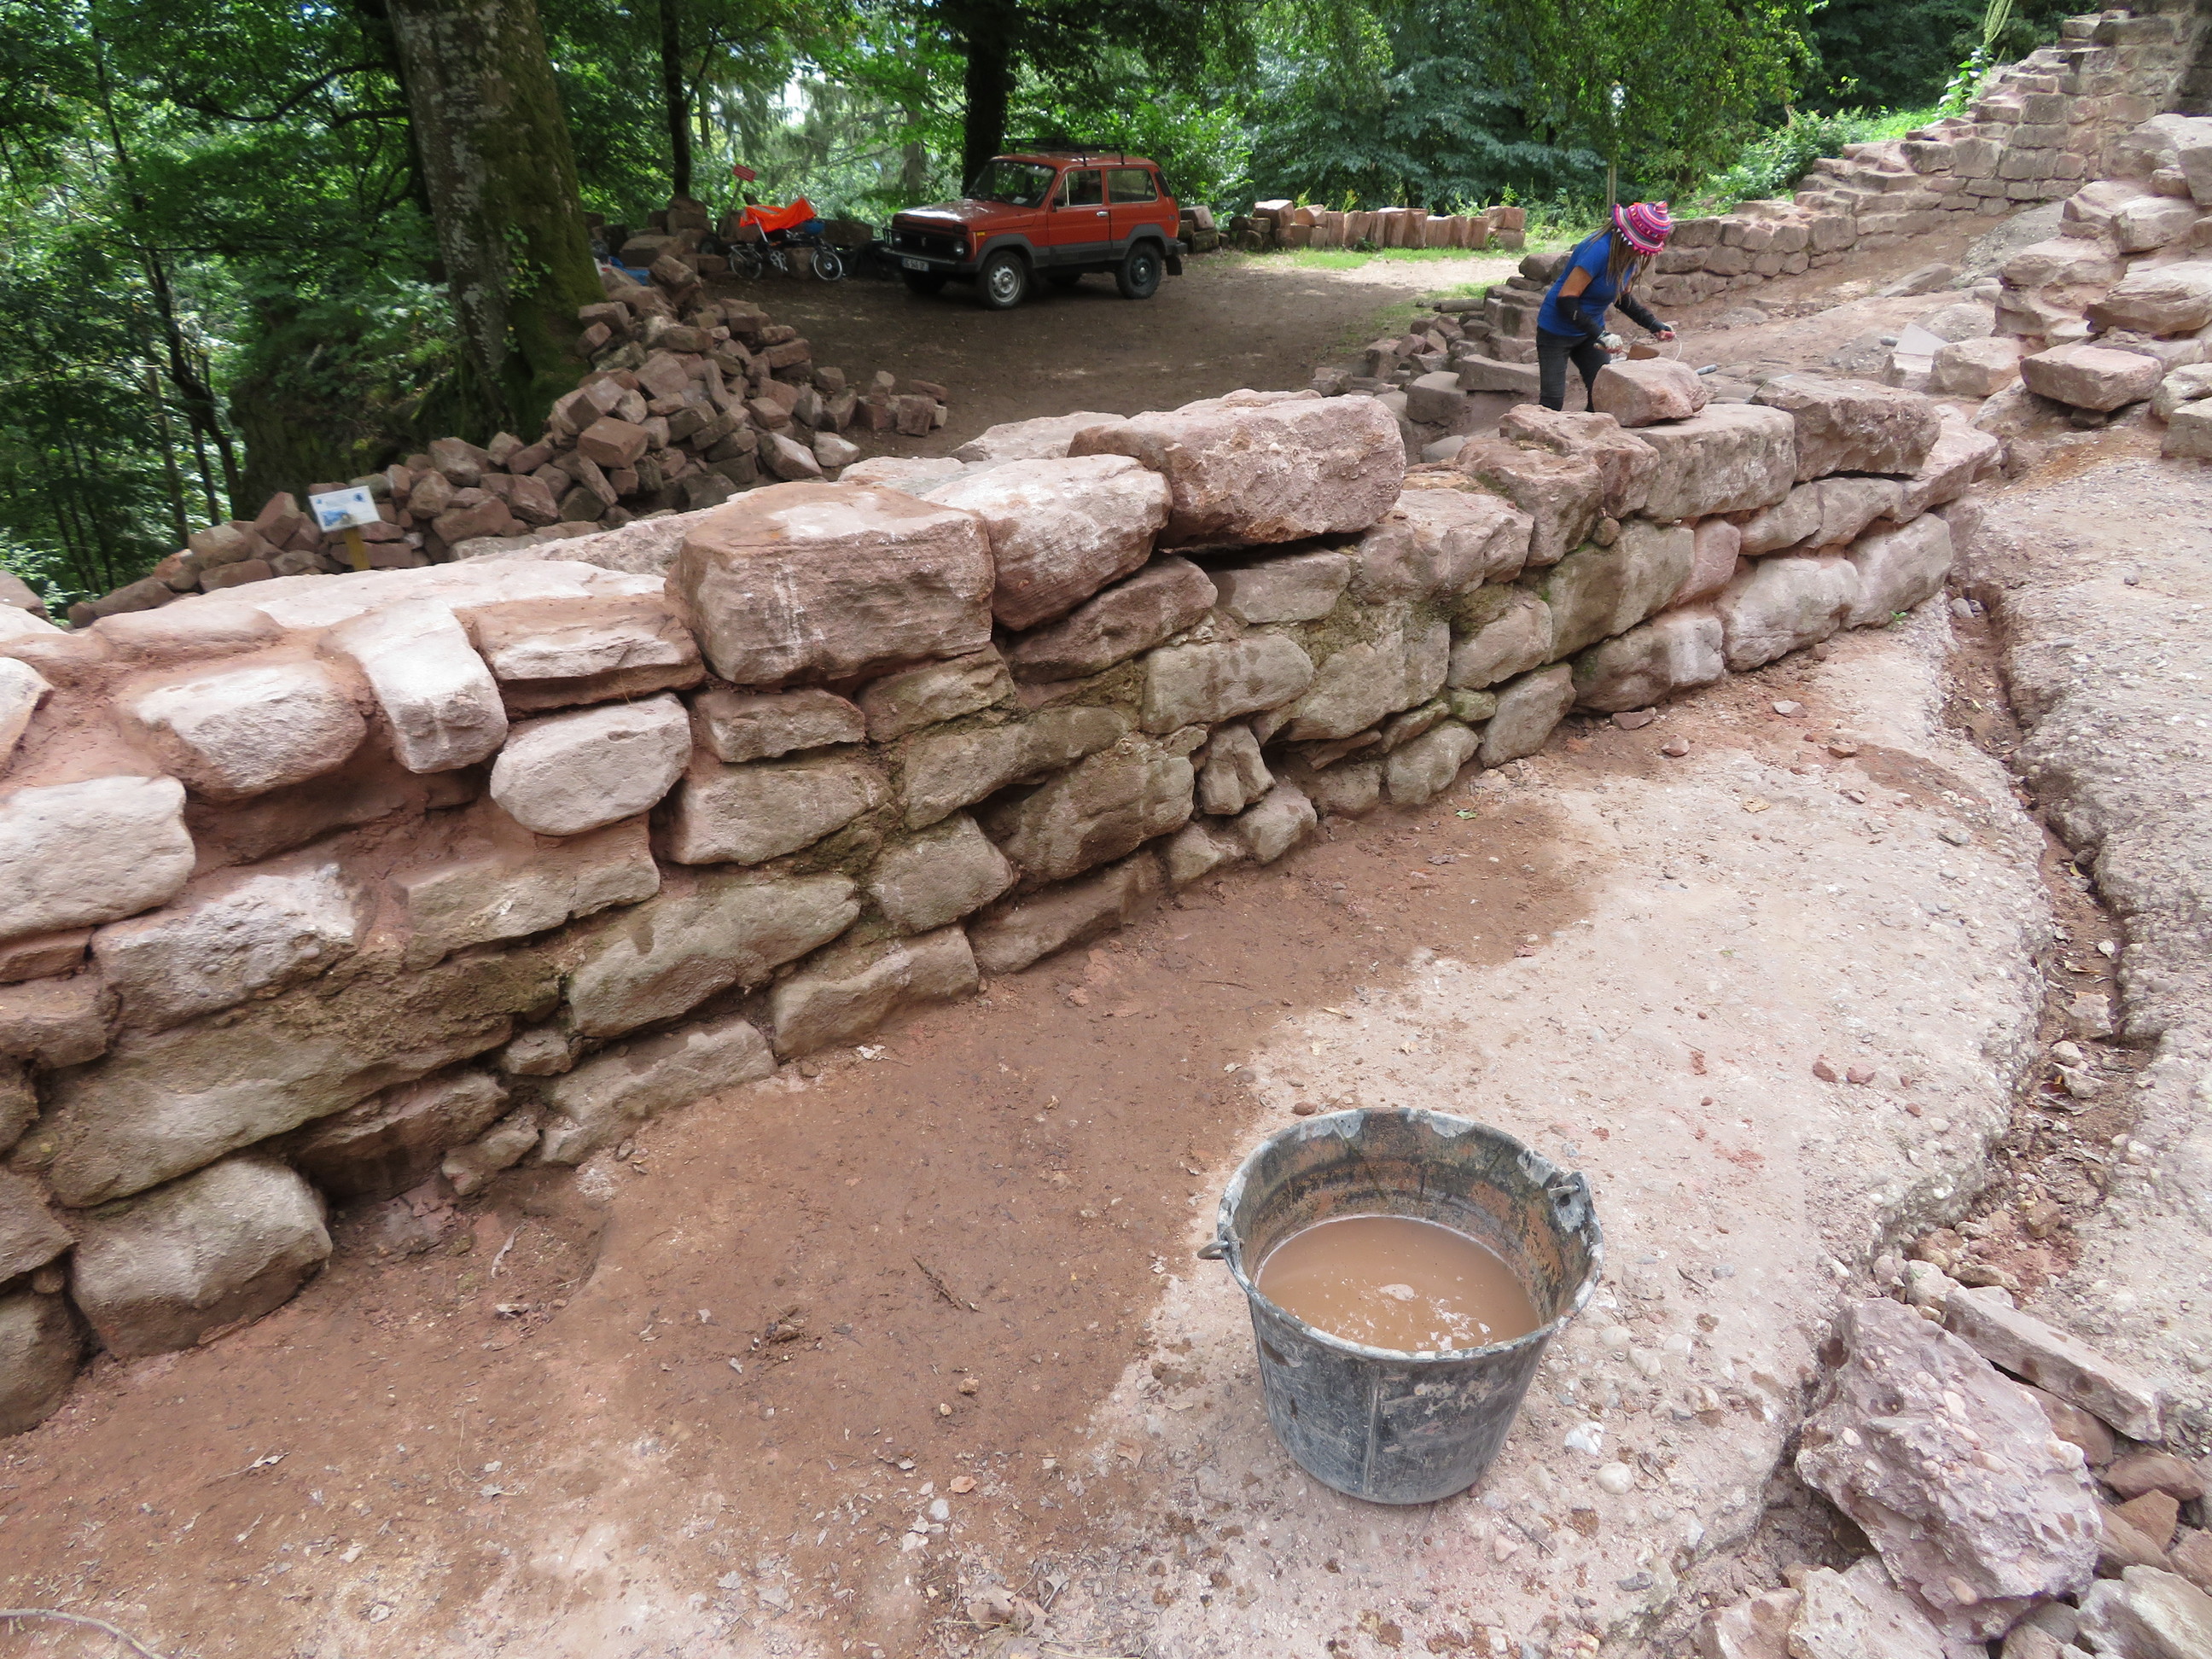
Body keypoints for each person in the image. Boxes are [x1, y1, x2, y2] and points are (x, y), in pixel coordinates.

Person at [1534, 201, 1677, 411]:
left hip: (1589, 331)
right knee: (1553, 400)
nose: (1642, 254)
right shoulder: (1598, 250)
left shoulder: (1630, 254)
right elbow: (1566, 299)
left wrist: (1654, 325)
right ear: (1628, 237)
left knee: (1602, 394)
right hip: (1556, 330)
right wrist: (1601, 335)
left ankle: (1588, 431)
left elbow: (1621, 298)